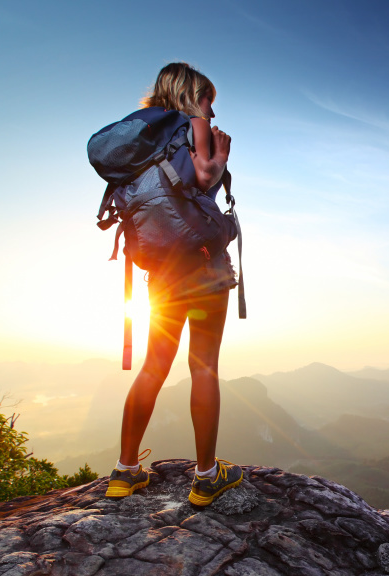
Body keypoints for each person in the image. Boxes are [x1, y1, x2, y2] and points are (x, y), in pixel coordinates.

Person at [104, 63, 243, 506]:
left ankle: (125, 472)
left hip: (161, 271)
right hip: (203, 268)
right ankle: (206, 477)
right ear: (192, 94)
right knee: (203, 366)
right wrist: (220, 158)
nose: (212, 113)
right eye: (209, 101)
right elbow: (203, 178)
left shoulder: (140, 139)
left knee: (154, 365)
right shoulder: (193, 124)